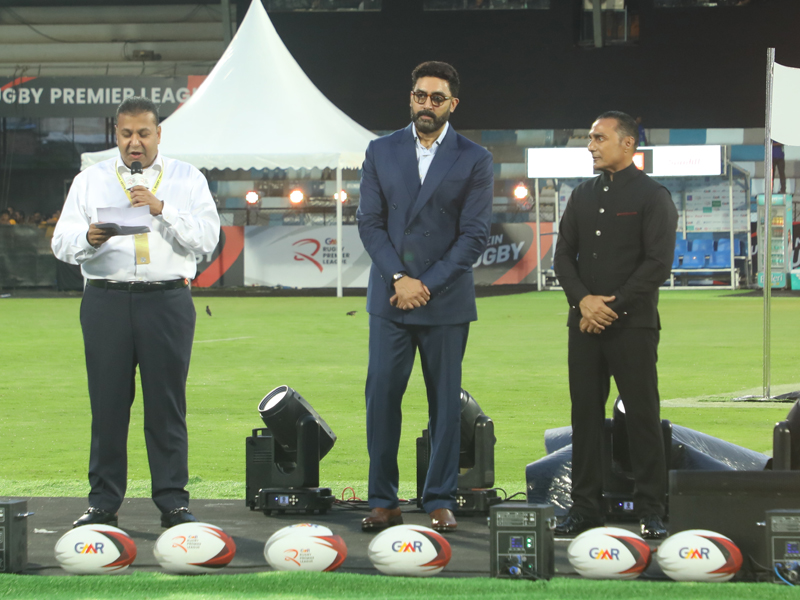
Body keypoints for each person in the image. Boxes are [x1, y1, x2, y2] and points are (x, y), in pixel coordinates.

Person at [52, 97, 220, 529]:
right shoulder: (90, 180)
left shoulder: (186, 178)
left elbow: (207, 239)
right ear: (116, 135)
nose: (134, 143)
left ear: (158, 134)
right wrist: (88, 238)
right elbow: (61, 241)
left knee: (167, 406)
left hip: (167, 300)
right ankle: (103, 502)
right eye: (126, 134)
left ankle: (173, 502)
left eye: (143, 133)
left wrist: (162, 209)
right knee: (107, 406)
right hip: (106, 300)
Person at [357, 61, 493, 534]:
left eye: (437, 98)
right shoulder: (380, 150)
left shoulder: (475, 158)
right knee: (381, 400)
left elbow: (474, 236)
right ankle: (383, 500)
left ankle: (439, 498)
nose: (426, 105)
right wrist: (399, 278)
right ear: (410, 98)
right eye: (420, 95)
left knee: (445, 406)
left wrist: (425, 284)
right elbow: (369, 223)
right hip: (391, 298)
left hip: (444, 301)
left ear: (452, 103)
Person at [553, 111, 677, 540]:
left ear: (628, 144)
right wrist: (583, 302)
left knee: (642, 417)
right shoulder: (581, 195)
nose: (590, 146)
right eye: (590, 138)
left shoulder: (653, 196)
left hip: (633, 327)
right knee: (584, 418)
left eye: (599, 138)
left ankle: (652, 510)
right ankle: (585, 508)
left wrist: (612, 307)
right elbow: (562, 257)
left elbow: (658, 264)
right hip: (583, 325)